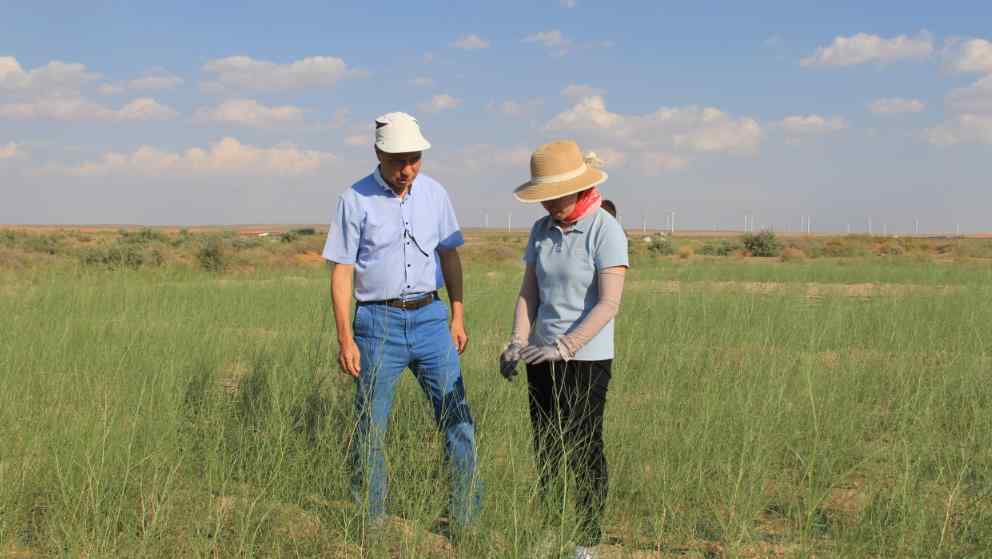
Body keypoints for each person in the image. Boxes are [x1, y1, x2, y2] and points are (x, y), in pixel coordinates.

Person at [323, 112, 482, 530]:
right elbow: (342, 271)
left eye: (414, 159)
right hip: (378, 324)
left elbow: (449, 255)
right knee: (370, 426)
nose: (406, 169)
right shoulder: (353, 199)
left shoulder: (435, 194)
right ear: (378, 153)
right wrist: (345, 337)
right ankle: (370, 521)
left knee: (458, 420)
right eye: (398, 160)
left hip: (432, 319)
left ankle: (465, 521)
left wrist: (458, 314)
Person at [499, 140, 628, 559]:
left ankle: (587, 539)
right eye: (544, 198)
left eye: (555, 196)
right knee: (547, 444)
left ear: (578, 186)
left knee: (583, 444)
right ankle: (552, 527)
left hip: (586, 358)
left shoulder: (604, 229)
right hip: (541, 356)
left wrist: (565, 346)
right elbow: (529, 293)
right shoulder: (541, 230)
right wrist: (518, 341)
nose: (549, 205)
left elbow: (609, 303)